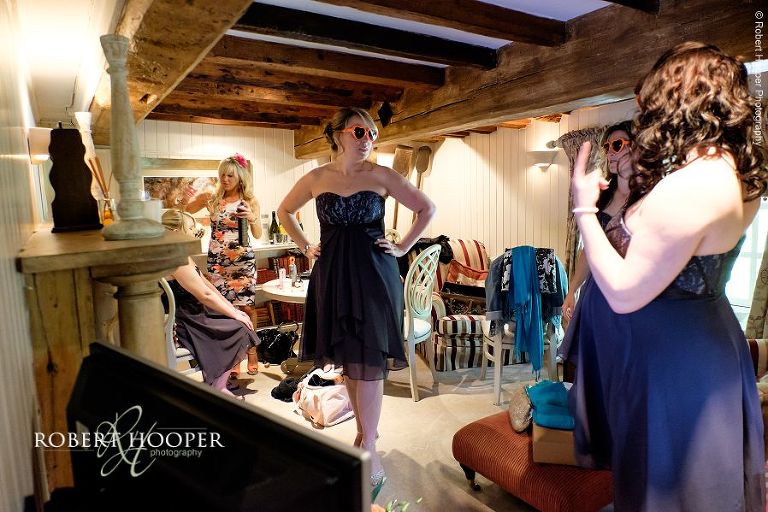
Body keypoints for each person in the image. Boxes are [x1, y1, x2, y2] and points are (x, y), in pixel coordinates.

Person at [568, 42, 767, 510]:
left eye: (650, 101)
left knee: (669, 488)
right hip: (706, 342)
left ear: (676, 100)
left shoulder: (692, 187)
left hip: (674, 365)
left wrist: (581, 207)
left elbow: (620, 292)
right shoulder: (735, 171)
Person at [277, 107, 436, 487]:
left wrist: (403, 248)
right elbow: (284, 211)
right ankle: (366, 433)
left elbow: (426, 209)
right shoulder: (316, 178)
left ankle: (370, 444)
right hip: (331, 275)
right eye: (359, 132)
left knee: (368, 359)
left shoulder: (382, 175)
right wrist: (304, 246)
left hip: (372, 276)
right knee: (348, 360)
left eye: (372, 134)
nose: (367, 140)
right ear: (338, 135)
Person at [186, 154, 262, 375]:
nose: (225, 179)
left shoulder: (250, 201)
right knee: (224, 309)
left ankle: (252, 351)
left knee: (247, 307)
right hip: (218, 262)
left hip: (242, 262)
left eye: (230, 175)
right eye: (222, 175)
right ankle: (234, 356)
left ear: (240, 177)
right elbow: (187, 209)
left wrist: (251, 217)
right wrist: (195, 194)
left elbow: (257, 234)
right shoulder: (213, 199)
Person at [562, 120, 633, 326]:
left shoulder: (646, 199)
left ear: (637, 148)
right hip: (595, 290)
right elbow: (589, 251)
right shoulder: (602, 196)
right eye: (607, 146)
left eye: (617, 145)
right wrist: (572, 289)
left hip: (628, 291)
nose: (610, 152)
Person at [166, 257, 259, 397]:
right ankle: (218, 385)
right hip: (187, 317)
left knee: (241, 323)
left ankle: (219, 381)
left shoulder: (184, 255)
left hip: (198, 311)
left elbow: (208, 287)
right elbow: (205, 295)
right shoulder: (175, 259)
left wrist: (232, 309)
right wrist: (234, 313)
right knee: (240, 329)